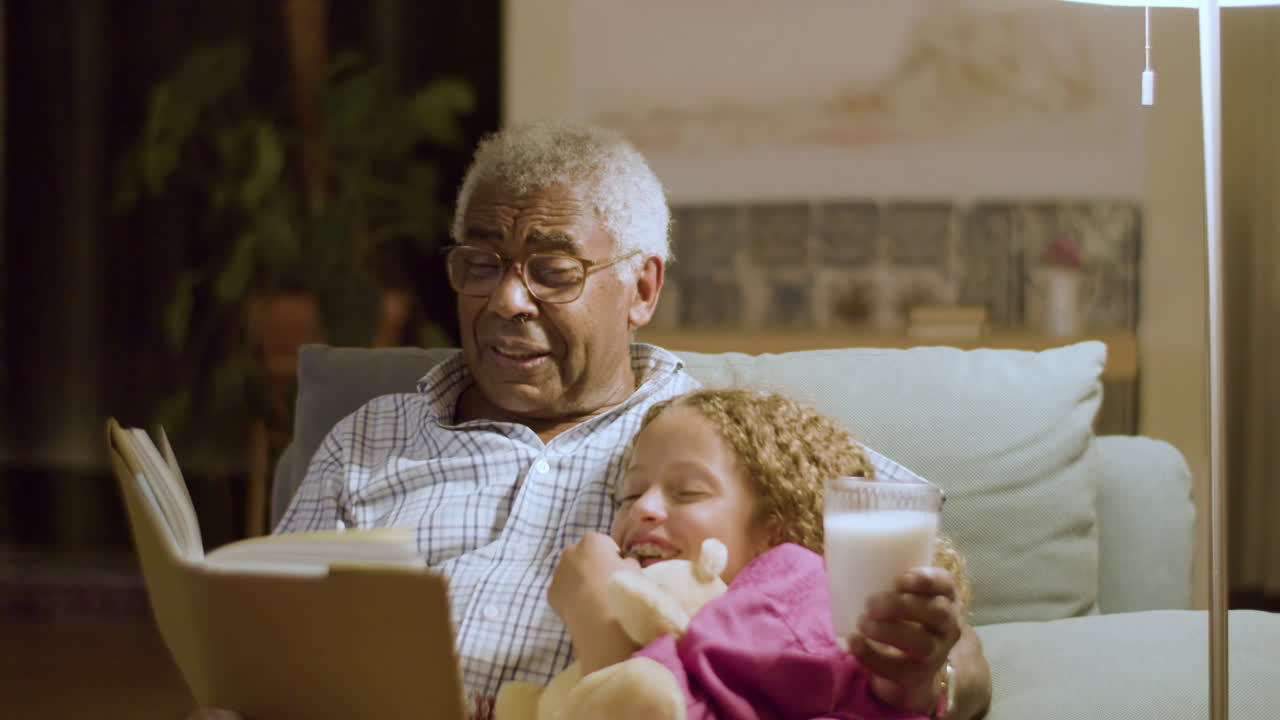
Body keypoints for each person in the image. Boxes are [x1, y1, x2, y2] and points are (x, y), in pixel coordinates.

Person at [271, 120, 990, 718]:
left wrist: (935, 678)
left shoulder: (716, 441)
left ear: (640, 288)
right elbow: (262, 637)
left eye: (553, 272)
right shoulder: (368, 439)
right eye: (481, 265)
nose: (506, 302)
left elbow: (947, 641)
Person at [547, 388, 971, 719]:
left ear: (776, 527)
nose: (643, 508)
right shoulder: (682, 621)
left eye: (687, 492)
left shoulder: (790, 592)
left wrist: (597, 622)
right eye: (631, 493)